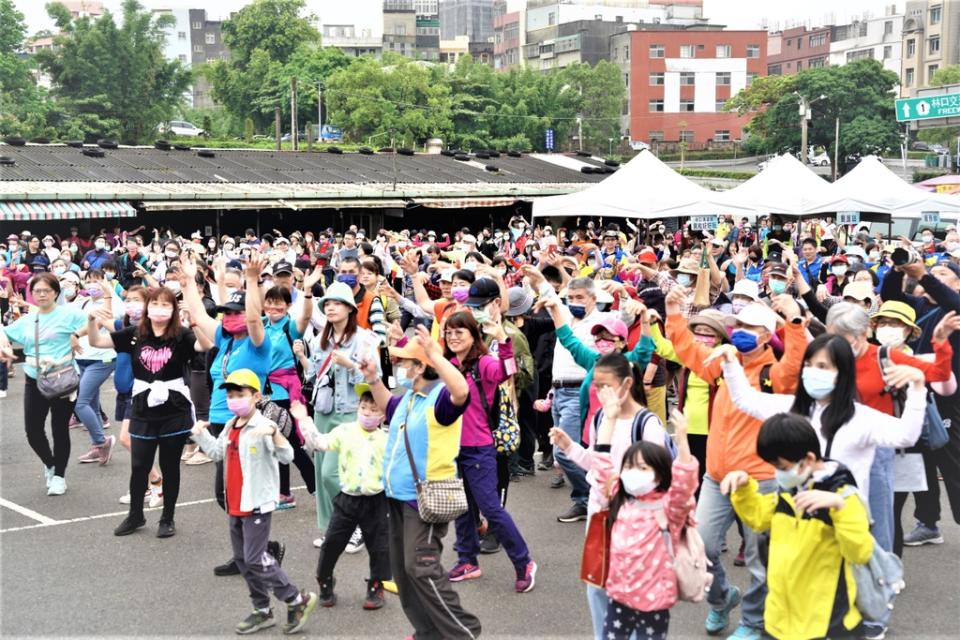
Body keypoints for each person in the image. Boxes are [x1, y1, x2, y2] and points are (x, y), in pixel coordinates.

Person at [665, 288, 806, 639]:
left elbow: (797, 361)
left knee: (761, 560)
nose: (741, 330)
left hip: (761, 479)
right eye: (738, 323)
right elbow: (688, 349)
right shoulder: (724, 360)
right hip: (716, 476)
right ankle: (722, 598)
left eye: (751, 326)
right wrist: (673, 313)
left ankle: (754, 623)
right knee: (704, 548)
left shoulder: (776, 374)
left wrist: (794, 320)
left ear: (766, 336)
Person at [359, 326, 482, 640]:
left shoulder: (439, 397)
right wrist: (373, 378)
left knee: (421, 567)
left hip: (423, 498)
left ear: (422, 365)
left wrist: (437, 356)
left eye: (405, 362)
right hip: (398, 496)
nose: (400, 367)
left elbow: (462, 393)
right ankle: (427, 631)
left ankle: (463, 631)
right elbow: (388, 406)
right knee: (404, 571)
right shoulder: (411, 397)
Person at [715, 333, 926, 506]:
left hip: (843, 526)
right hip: (796, 521)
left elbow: (906, 436)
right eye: (808, 365)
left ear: (842, 373)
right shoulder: (791, 409)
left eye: (823, 366)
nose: (812, 372)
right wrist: (730, 363)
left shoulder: (861, 418)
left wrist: (917, 387)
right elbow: (745, 399)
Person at [722, 413, 873, 639]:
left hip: (825, 624)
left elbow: (860, 553)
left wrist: (840, 509)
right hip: (778, 620)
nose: (777, 472)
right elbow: (759, 517)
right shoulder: (790, 490)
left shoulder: (842, 496)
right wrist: (743, 488)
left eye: (781, 466)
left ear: (809, 459)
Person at [190, 370, 318, 635]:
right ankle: (262, 609)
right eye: (230, 395)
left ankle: (296, 599)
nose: (235, 399)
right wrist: (200, 434)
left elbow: (287, 456)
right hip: (235, 502)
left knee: (254, 557)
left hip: (256, 503)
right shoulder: (231, 425)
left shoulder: (263, 425)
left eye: (241, 394)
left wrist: (274, 434)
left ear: (256, 396)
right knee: (241, 559)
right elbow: (216, 452)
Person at [180, 251, 279, 577]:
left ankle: (258, 550)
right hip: (224, 422)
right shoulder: (224, 339)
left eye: (234, 312)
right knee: (228, 493)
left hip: (249, 423)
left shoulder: (257, 343)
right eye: (226, 312)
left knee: (238, 492)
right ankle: (254, 550)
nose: (228, 317)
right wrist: (190, 280)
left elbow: (253, 319)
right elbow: (198, 313)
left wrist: (251, 281)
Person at [86, 286, 212, 537]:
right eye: (155, 303)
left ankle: (167, 517)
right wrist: (91, 321)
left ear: (174, 310)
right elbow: (96, 341)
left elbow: (205, 345)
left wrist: (195, 322)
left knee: (170, 465)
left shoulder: (181, 335)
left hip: (174, 408)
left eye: (166, 305)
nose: (160, 309)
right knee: (139, 465)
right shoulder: (134, 333)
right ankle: (135, 515)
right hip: (142, 407)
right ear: (147, 308)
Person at [442, 310, 537, 592]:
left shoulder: (483, 363)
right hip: (452, 448)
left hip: (479, 448)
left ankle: (524, 563)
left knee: (491, 509)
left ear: (474, 335)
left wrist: (504, 341)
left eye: (460, 332)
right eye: (449, 332)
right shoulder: (449, 364)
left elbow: (508, 371)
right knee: (462, 508)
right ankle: (467, 560)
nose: (454, 337)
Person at [591, 405, 699, 640]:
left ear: (660, 473)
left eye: (642, 467)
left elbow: (684, 484)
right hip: (619, 597)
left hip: (654, 603)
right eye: (629, 466)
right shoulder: (619, 497)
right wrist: (608, 422)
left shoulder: (669, 508)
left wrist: (682, 442)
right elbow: (601, 466)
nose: (633, 472)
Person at [291, 389, 391, 611]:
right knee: (332, 543)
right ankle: (325, 580)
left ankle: (376, 585)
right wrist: (304, 420)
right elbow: (319, 443)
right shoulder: (345, 431)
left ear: (383, 415)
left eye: (374, 410)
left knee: (379, 547)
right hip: (347, 500)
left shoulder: (387, 438)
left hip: (376, 500)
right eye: (363, 408)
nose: (367, 413)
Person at [306, 281, 381, 549]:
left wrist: (350, 365)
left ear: (350, 308)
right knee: (320, 472)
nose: (331, 308)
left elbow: (375, 378)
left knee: (334, 474)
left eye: (337, 303)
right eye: (327, 303)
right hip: (323, 412)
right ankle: (332, 528)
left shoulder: (364, 339)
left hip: (350, 413)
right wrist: (303, 359)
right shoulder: (319, 340)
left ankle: (357, 523)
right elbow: (312, 376)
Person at [0, 273, 87, 496]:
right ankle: (50, 464)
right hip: (34, 379)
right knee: (33, 431)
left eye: (46, 291)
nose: (41, 295)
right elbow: (3, 330)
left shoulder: (68, 314)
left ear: (56, 293)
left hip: (63, 379)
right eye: (37, 291)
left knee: (60, 430)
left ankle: (59, 476)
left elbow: (92, 320)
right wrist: (4, 345)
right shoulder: (28, 320)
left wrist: (76, 335)